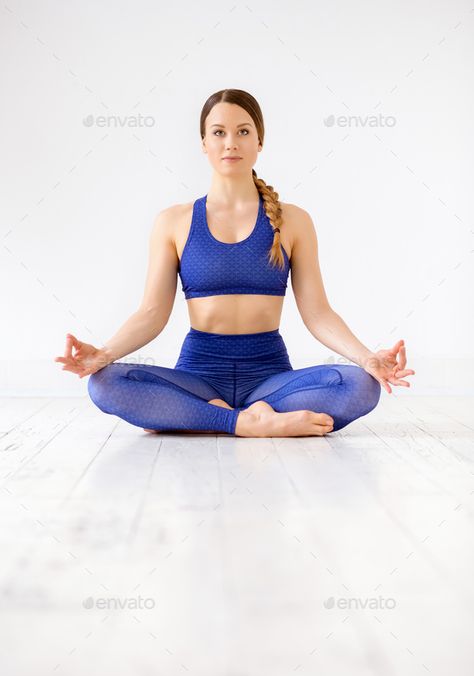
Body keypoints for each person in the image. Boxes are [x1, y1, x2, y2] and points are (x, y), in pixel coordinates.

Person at [54, 89, 415, 437]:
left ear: (259, 142)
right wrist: (102, 355)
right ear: (203, 143)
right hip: (198, 375)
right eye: (219, 132)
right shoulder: (173, 221)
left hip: (270, 379)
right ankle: (249, 423)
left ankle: (200, 418)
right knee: (106, 384)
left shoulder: (293, 221)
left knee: (359, 386)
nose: (231, 142)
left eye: (243, 131)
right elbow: (151, 313)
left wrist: (367, 358)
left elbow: (318, 313)